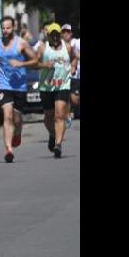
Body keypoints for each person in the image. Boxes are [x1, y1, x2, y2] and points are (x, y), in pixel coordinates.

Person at [0, 16, 41, 163]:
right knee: (7, 115)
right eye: (3, 28)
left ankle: (18, 132)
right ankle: (8, 149)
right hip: (4, 85)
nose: (5, 30)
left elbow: (36, 60)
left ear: (14, 27)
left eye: (8, 27)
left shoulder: (21, 44)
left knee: (16, 118)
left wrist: (20, 64)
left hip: (20, 87)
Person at [32, 23, 75, 158]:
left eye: (57, 34)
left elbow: (74, 57)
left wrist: (73, 67)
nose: (55, 37)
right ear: (48, 35)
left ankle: (58, 145)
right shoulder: (43, 48)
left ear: (60, 35)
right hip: (46, 86)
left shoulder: (67, 47)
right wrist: (45, 65)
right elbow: (34, 64)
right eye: (53, 35)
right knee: (48, 116)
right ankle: (52, 134)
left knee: (59, 115)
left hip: (62, 85)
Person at [62, 24, 80, 120]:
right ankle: (68, 113)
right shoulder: (59, 44)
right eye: (64, 32)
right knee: (65, 96)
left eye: (68, 32)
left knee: (74, 99)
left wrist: (74, 53)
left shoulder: (76, 42)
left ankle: (74, 111)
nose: (66, 34)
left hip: (76, 75)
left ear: (71, 33)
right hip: (63, 76)